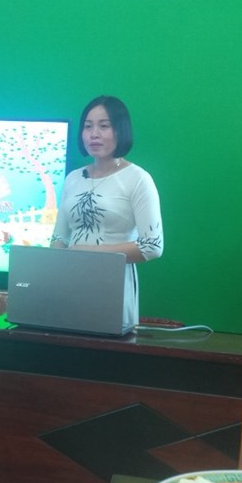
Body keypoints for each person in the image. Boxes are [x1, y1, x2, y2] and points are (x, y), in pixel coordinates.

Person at [50, 95, 164, 328]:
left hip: (113, 287)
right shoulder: (73, 178)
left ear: (120, 130)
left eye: (104, 126)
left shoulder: (138, 179)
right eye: (88, 126)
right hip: (69, 285)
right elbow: (59, 236)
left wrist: (87, 253)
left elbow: (152, 246)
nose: (94, 134)